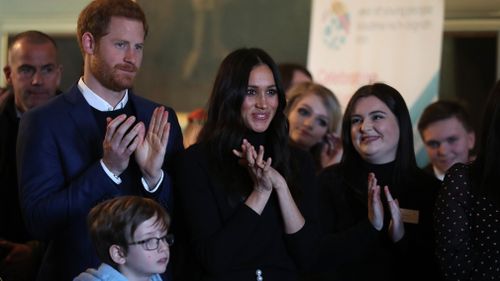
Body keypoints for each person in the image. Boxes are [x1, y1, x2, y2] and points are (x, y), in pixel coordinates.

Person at [16, 1, 184, 280]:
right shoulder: (43, 121)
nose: (132, 57)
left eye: (138, 47)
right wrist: (107, 169)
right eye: (120, 45)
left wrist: (154, 178)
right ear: (89, 43)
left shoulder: (159, 116)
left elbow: (180, 218)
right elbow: (39, 222)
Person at [174, 48, 319, 281]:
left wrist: (280, 187)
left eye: (270, 92)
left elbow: (309, 257)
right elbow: (215, 259)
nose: (263, 103)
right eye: (251, 92)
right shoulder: (196, 162)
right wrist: (260, 193)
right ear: (230, 95)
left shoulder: (299, 161)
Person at [318, 83, 441, 281]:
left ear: (400, 122)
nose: (364, 127)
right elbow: (314, 256)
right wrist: (369, 228)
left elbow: (437, 268)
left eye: (377, 117)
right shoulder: (329, 182)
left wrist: (400, 238)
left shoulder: (430, 190)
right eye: (356, 120)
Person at [0, 30, 62, 281]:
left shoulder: (84, 126)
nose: (37, 80)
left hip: (61, 264)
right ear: (8, 74)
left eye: (47, 70)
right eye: (26, 70)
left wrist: (37, 252)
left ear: (58, 74)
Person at [434, 80, 500, 280]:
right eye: (434, 143)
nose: (443, 150)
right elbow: (455, 268)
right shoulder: (463, 180)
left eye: (451, 139)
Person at [74, 196, 173, 281]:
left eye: (164, 237)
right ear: (119, 254)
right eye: (149, 240)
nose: (164, 247)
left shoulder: (154, 277)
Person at [285, 81, 342, 171]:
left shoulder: (320, 167)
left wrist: (328, 171)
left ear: (327, 135)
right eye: (304, 112)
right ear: (288, 111)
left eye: (321, 122)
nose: (308, 124)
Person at [417, 100, 475, 180]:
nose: (443, 152)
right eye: (433, 144)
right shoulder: (413, 187)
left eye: (452, 140)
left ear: (470, 140)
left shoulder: (492, 178)